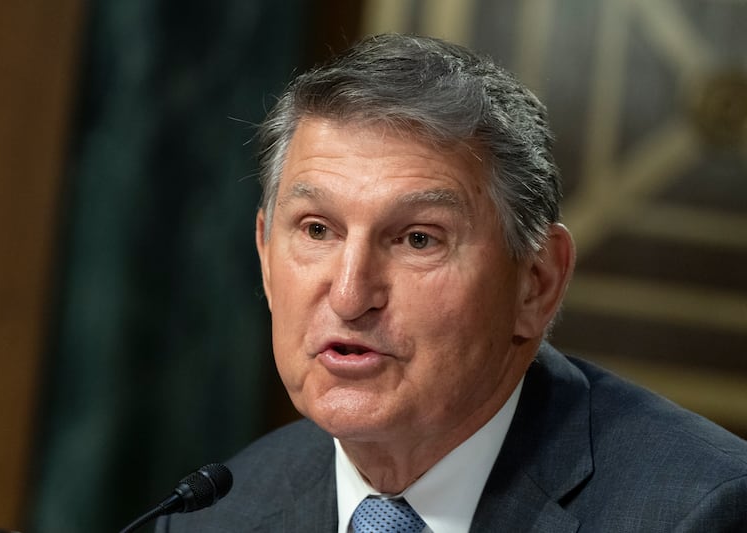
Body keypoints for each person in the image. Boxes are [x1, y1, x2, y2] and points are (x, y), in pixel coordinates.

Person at [157, 33, 747, 532]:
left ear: (536, 283)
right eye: (317, 230)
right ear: (264, 255)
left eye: (419, 239)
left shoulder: (698, 512)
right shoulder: (211, 517)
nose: (349, 295)